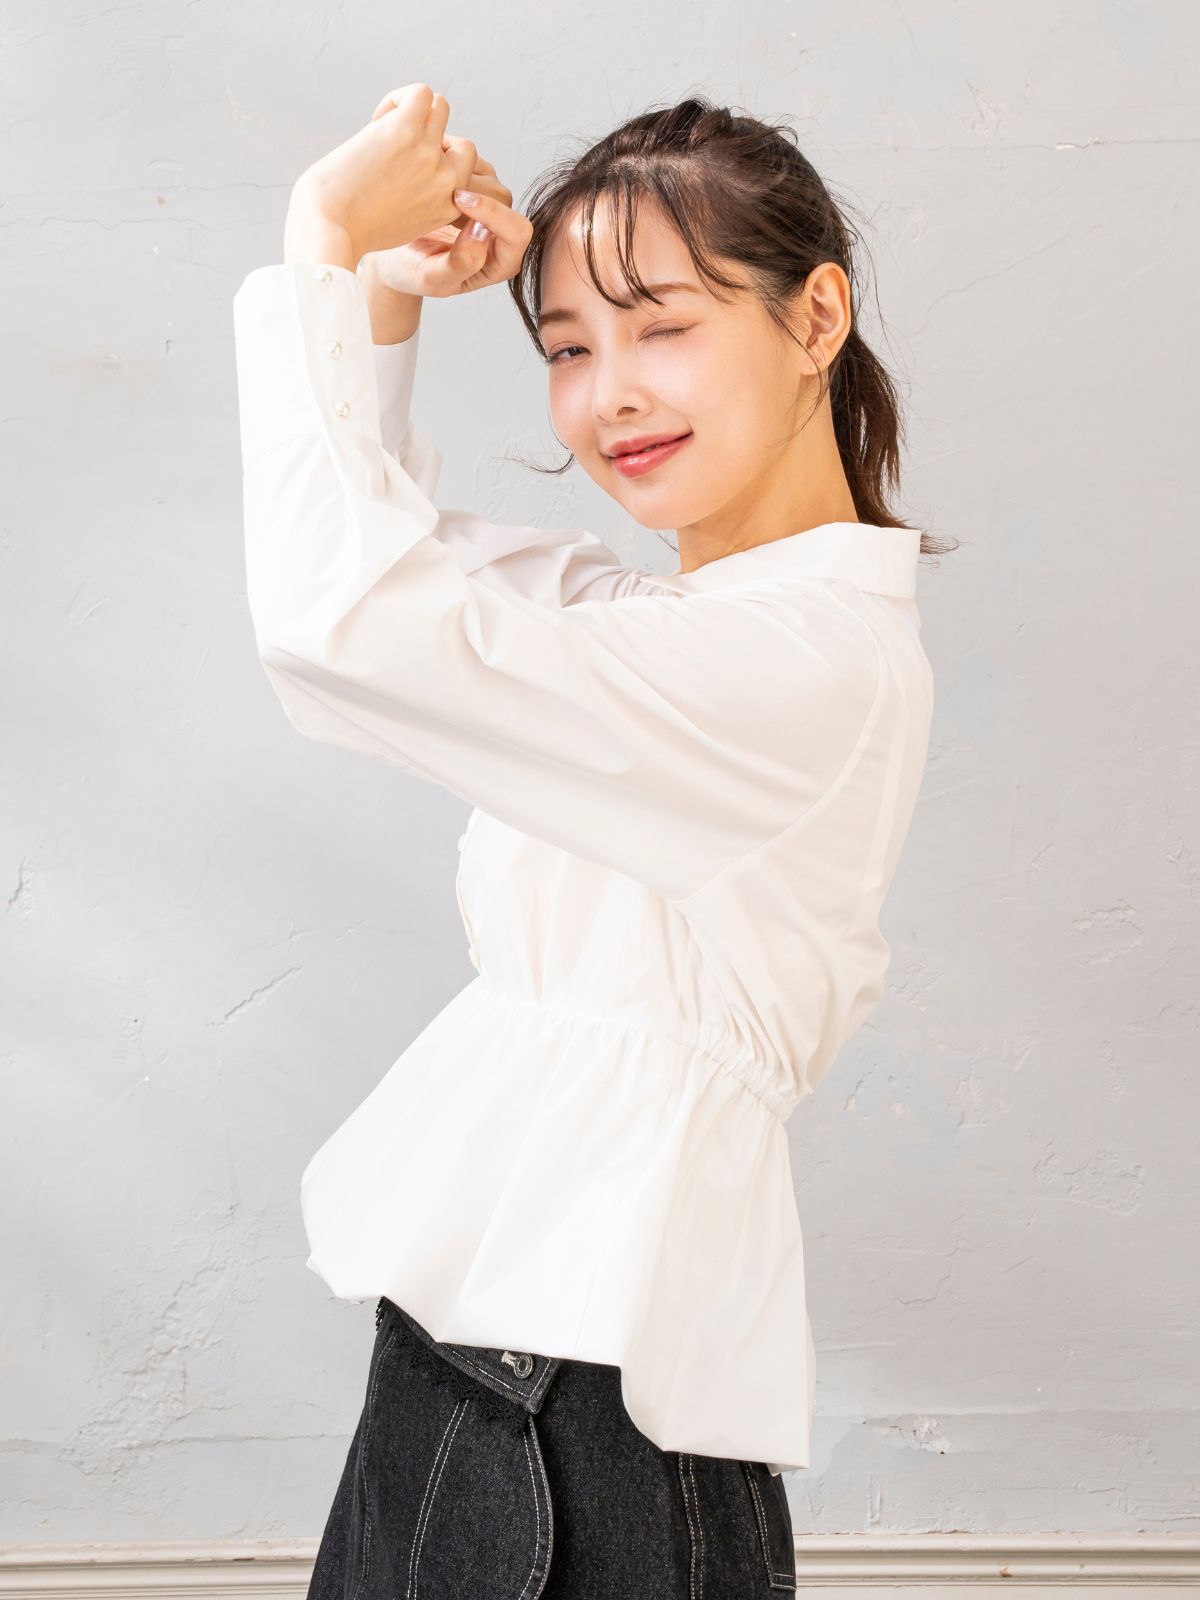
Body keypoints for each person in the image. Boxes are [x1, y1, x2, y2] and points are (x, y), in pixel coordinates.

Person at [231, 83, 946, 1600]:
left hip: (576, 1440)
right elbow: (386, 583)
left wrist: (319, 233)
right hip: (493, 1398)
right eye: (566, 348)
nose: (610, 394)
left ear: (816, 317)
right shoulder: (687, 631)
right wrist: (384, 293)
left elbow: (338, 626)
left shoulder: (798, 667)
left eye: (661, 326)